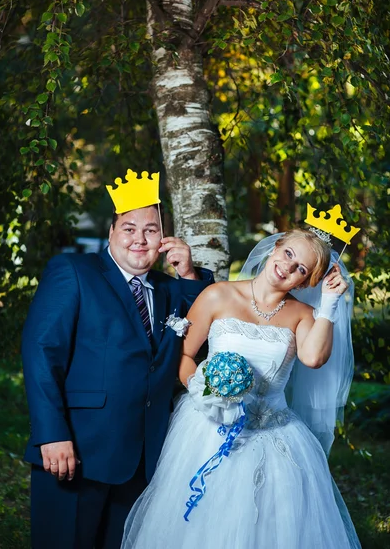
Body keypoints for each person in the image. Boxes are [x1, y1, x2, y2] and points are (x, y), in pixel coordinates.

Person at [122, 229, 361, 549]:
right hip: (208, 429)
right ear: (276, 247)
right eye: (289, 254)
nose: (288, 267)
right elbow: (184, 356)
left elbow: (314, 358)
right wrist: (208, 394)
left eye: (301, 269)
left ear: (305, 282)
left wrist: (329, 305)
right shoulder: (218, 295)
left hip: (273, 435)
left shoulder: (304, 316)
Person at [21, 194, 214, 549]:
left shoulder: (172, 289)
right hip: (78, 449)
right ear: (111, 232)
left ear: (163, 240)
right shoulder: (75, 272)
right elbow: (41, 351)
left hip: (142, 459)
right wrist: (51, 434)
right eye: (129, 228)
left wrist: (187, 273)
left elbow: (206, 335)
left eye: (151, 230)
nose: (139, 239)